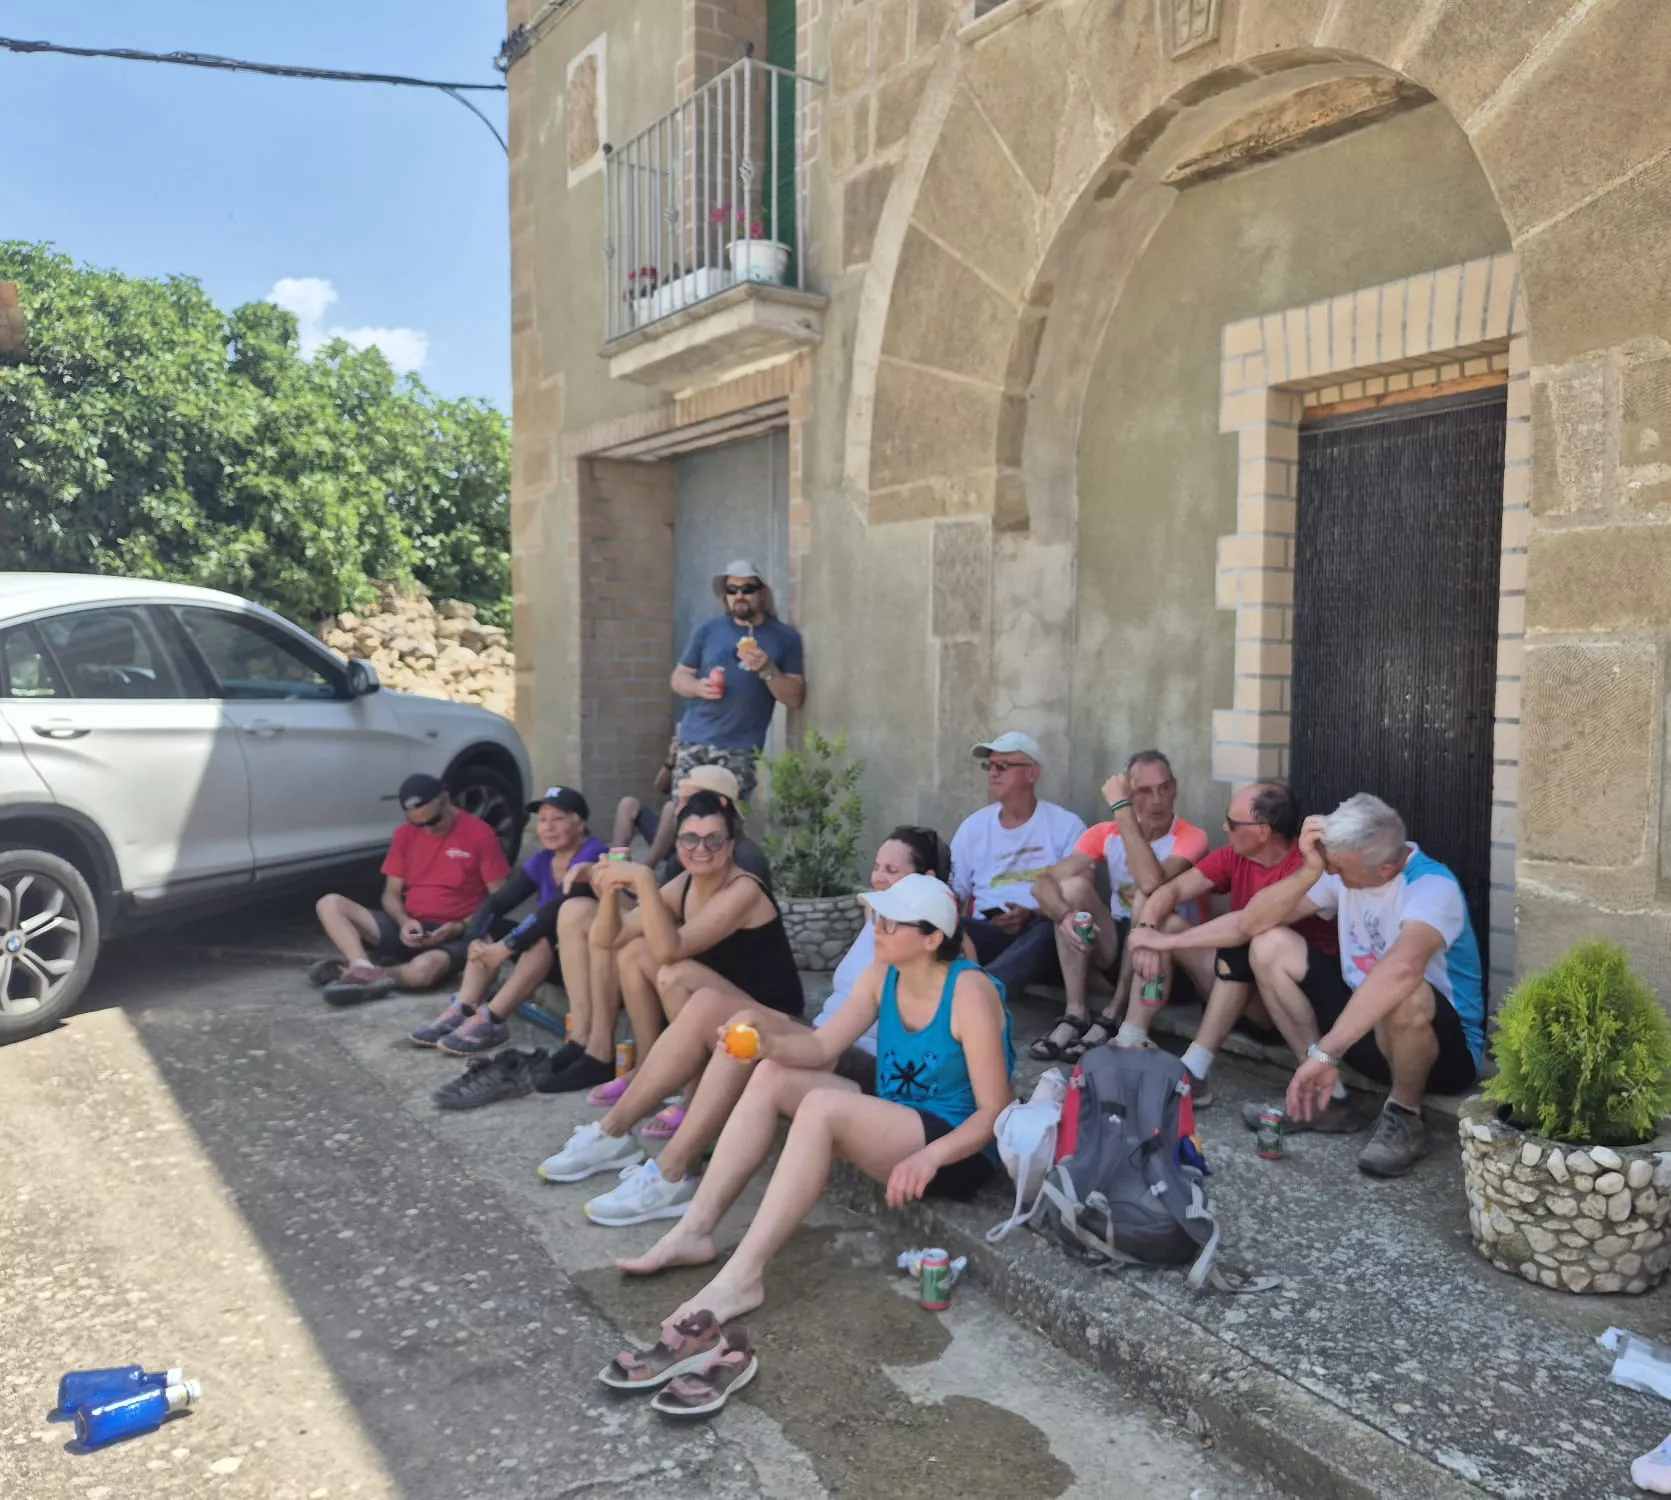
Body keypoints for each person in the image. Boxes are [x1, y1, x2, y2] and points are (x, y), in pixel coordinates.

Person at [601, 873, 1013, 1345]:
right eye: (877, 915)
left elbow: (993, 1112)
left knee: (820, 1106)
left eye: (891, 922)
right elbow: (820, 1048)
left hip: (955, 1149)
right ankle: (693, 1230)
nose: (875, 927)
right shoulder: (884, 975)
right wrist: (762, 1045)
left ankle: (743, 1277)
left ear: (932, 938)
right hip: (899, 1118)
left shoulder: (970, 992)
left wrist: (929, 1157)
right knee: (774, 1075)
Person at [566, 826, 953, 1227]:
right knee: (707, 1006)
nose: (879, 878)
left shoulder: (927, 945)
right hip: (825, 1035)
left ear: (927, 883)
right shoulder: (879, 919)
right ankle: (612, 1134)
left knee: (739, 1028)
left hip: (866, 1062)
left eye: (892, 870)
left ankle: (672, 1172)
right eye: (876, 867)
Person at [1218, 793, 1484, 1178]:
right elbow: (1252, 922)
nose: (1333, 876)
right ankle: (1328, 1101)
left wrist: (1326, 1052)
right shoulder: (1343, 870)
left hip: (1442, 1054)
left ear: (1387, 867)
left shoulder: (1431, 885)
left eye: (1338, 869)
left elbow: (1403, 968)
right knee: (1269, 944)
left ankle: (1404, 1116)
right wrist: (1309, 871)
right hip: (1368, 1035)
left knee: (1404, 986)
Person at [535, 791, 803, 1099]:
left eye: (714, 840)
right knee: (633, 953)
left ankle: (695, 1088)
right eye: (690, 839)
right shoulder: (685, 884)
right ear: (677, 844)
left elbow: (669, 952)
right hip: (722, 1004)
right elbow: (608, 939)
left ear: (730, 846)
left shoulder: (743, 890)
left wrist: (644, 880)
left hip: (775, 1019)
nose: (701, 849)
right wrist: (608, 887)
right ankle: (651, 1065)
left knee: (675, 974)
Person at [1122, 782, 1339, 1106]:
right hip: (1230, 989)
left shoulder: (1306, 868)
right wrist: (1147, 932)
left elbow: (1243, 928)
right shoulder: (1234, 856)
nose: (1224, 827)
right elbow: (1170, 891)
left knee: (1247, 944)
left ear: (1263, 831)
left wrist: (1165, 941)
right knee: (1162, 920)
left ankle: (1195, 1069)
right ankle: (1130, 1037)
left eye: (1232, 823)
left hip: (1282, 1008)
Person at [1030, 751, 1207, 1060]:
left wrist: (1122, 808)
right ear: (1130, 793)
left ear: (1176, 788)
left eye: (1165, 788)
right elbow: (1042, 883)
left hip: (1167, 963)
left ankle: (1114, 1014)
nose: (1157, 800)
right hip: (1118, 948)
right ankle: (1075, 1013)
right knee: (1071, 888)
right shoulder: (1104, 833)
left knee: (1145, 897)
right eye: (1145, 791)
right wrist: (1067, 916)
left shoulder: (1191, 837)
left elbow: (1152, 881)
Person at [408, 785, 608, 1056]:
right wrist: (475, 939)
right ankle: (462, 1008)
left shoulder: (594, 855)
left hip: (585, 961)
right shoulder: (543, 859)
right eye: (543, 820)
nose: (548, 827)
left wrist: (506, 947)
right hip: (551, 952)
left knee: (539, 940)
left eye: (558, 819)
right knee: (492, 927)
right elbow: (496, 903)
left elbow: (551, 912)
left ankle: (492, 1019)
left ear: (581, 824)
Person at [311, 773, 510, 1005]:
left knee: (423, 971)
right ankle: (362, 967)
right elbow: (391, 894)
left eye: (434, 821)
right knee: (329, 903)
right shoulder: (404, 835)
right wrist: (404, 920)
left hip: (455, 933)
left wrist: (460, 926)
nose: (427, 830)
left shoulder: (480, 834)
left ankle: (371, 976)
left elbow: (502, 898)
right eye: (418, 824)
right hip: (410, 928)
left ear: (447, 800)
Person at [949, 731, 1086, 1000]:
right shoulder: (973, 828)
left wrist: (1032, 913)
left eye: (1003, 766)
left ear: (1032, 773)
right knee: (940, 926)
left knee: (1052, 927)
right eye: (990, 766)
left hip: (1042, 937)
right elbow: (954, 895)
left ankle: (986, 991)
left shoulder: (1066, 826)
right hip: (988, 934)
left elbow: (1080, 898)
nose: (993, 773)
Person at [669, 560, 804, 804]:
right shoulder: (708, 630)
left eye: (747, 589)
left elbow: (794, 698)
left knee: (727, 821)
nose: (739, 596)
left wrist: (767, 669)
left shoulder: (785, 637)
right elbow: (679, 678)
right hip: (695, 740)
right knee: (686, 816)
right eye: (732, 590)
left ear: (761, 592)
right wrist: (698, 687)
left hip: (740, 747)